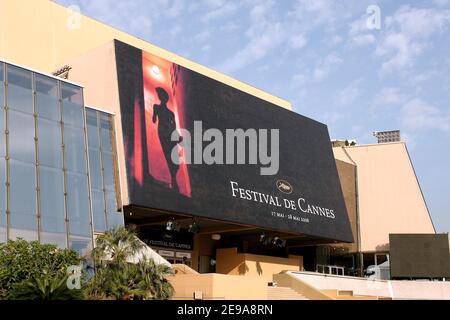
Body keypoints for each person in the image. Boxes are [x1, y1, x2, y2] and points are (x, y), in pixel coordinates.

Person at [152, 87, 182, 191]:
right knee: (168, 155)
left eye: (162, 95)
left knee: (174, 158)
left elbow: (174, 126)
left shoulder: (171, 113)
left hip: (171, 134)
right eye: (159, 95)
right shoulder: (156, 107)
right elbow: (154, 120)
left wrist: (177, 137)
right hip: (163, 134)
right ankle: (173, 181)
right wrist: (155, 113)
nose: (160, 97)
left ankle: (174, 180)